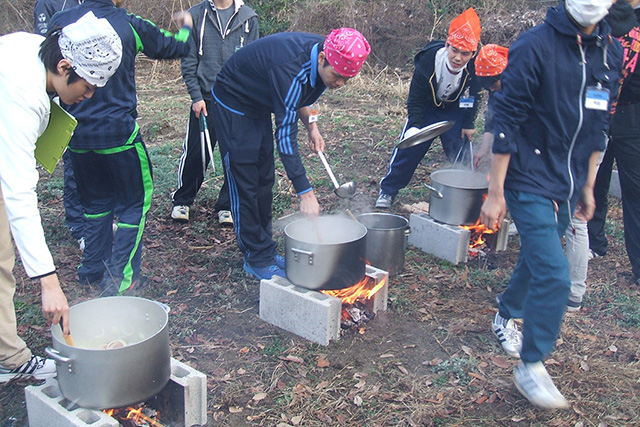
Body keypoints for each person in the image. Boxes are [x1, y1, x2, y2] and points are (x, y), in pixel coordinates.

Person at [480, 0, 621, 409]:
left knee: (538, 262)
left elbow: (598, 126)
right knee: (556, 275)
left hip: (570, 181)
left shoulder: (610, 51)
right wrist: (495, 192)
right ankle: (531, 364)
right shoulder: (535, 46)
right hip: (528, 178)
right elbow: (506, 119)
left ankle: (505, 313)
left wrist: (590, 186)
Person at [0, 12, 122, 382]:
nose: (86, 97)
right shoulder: (20, 93)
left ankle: (5, 356)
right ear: (64, 65)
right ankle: (9, 360)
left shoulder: (33, 48)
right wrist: (48, 282)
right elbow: (19, 194)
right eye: (86, 87)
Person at [51, 0, 193, 296]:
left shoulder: (61, 21)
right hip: (119, 137)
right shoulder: (127, 22)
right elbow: (174, 47)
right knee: (133, 206)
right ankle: (120, 278)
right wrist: (186, 29)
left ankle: (91, 269)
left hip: (75, 136)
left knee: (94, 206)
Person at [211, 28, 371, 280]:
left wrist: (312, 126)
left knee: (264, 179)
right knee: (246, 181)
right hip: (234, 101)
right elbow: (285, 136)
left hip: (261, 102)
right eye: (338, 76)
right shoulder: (288, 68)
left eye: (346, 80)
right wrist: (304, 191)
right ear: (322, 59)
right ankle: (256, 257)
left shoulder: (326, 52)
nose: (340, 84)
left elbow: (306, 94)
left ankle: (264, 249)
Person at [473, 44, 592, 313]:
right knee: (540, 236)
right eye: (490, 87)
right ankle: (518, 301)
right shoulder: (505, 86)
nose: (495, 90)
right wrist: (486, 148)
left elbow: (552, 136)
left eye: (496, 84)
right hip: (546, 171)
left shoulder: (543, 86)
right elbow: (497, 122)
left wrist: (585, 184)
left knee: (571, 224)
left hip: (561, 168)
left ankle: (573, 290)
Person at [375, 8, 482, 209]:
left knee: (461, 152)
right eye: (454, 50)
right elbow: (415, 98)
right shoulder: (430, 58)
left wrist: (468, 123)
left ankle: (467, 198)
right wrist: (414, 126)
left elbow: (473, 96)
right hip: (427, 108)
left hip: (455, 109)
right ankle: (388, 191)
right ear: (447, 45)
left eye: (465, 53)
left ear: (473, 53)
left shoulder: (475, 66)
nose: (458, 58)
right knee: (409, 150)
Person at [171, 0, 258, 224]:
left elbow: (252, 61)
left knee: (235, 154)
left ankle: (226, 206)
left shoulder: (249, 18)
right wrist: (196, 96)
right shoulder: (195, 15)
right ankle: (182, 201)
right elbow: (188, 60)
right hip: (205, 100)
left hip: (235, 101)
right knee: (196, 152)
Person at [588, 0, 640, 284]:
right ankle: (594, 242)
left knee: (635, 193)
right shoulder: (604, 12)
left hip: (632, 115)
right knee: (596, 179)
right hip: (600, 111)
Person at [34, 0, 87, 249]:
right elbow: (44, 47)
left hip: (87, 91)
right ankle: (78, 224)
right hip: (62, 91)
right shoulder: (48, 3)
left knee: (93, 158)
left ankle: (94, 217)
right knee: (74, 161)